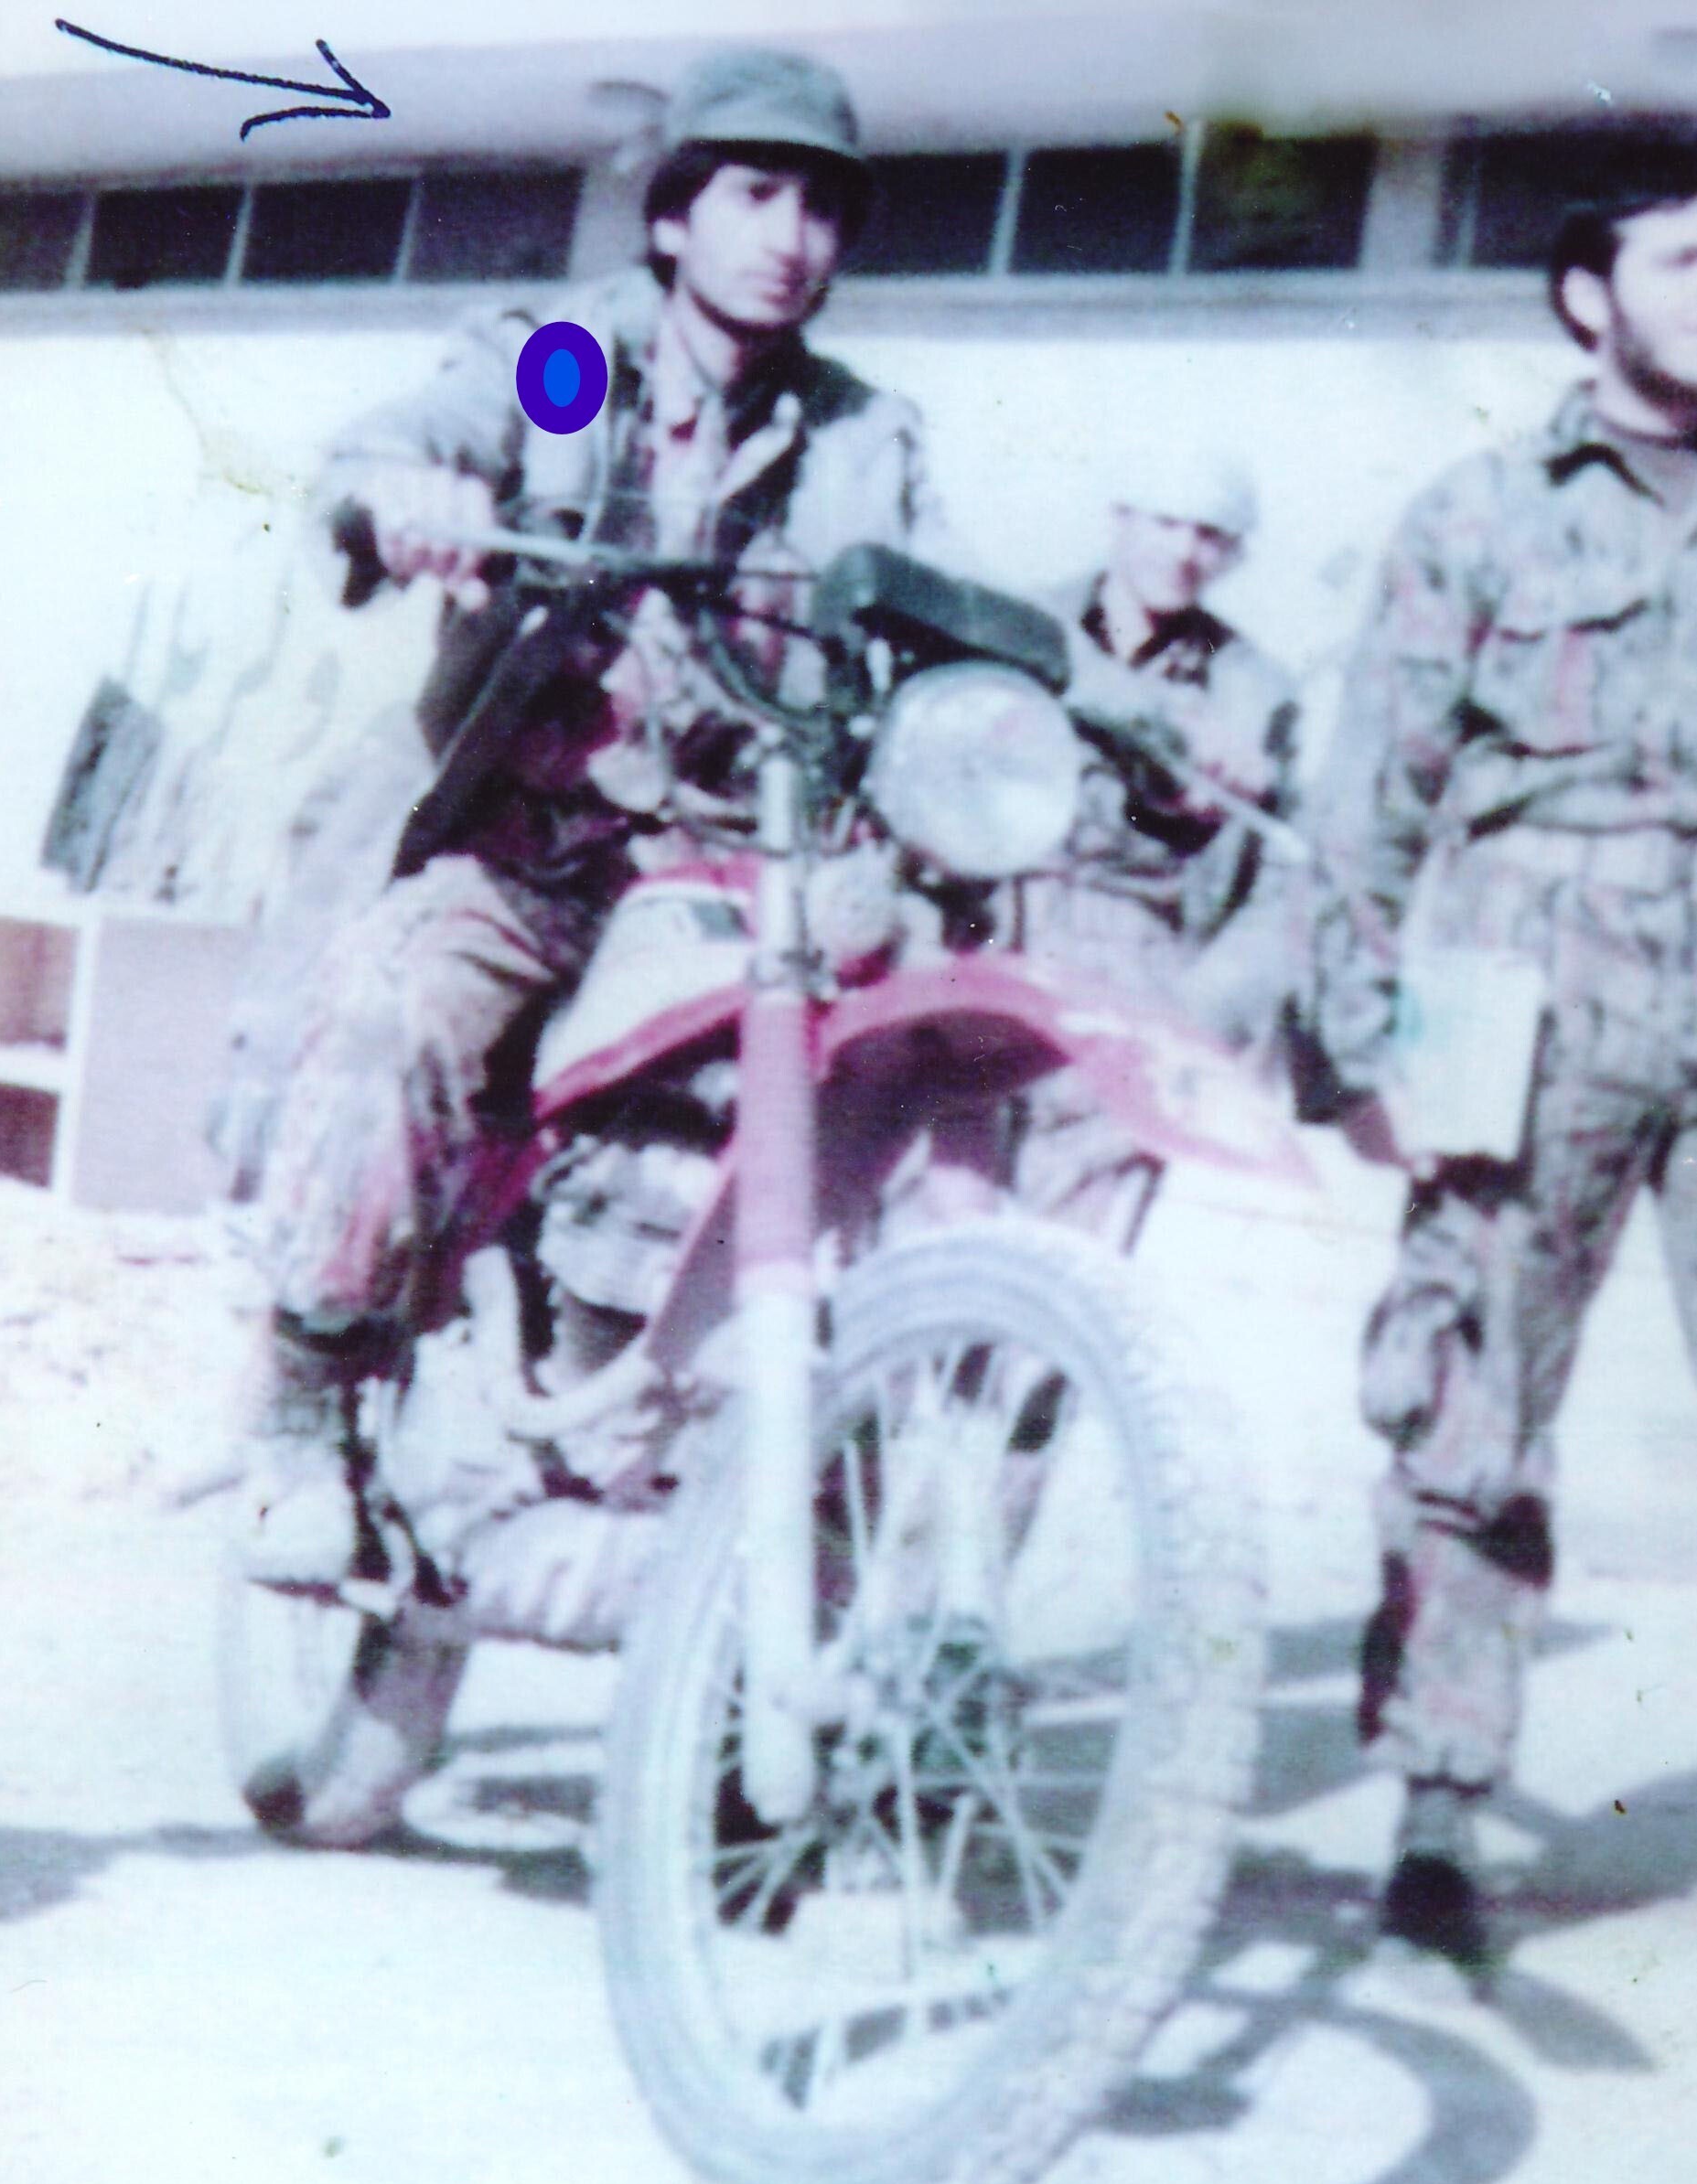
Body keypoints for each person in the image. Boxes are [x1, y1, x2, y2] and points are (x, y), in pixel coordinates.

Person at [240, 47, 951, 1583]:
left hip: (729, 874)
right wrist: (409, 494)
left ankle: (817, 1451)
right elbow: (423, 433)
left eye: (822, 208)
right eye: (753, 194)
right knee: (396, 1021)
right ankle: (305, 1397)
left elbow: (925, 610)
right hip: (529, 854)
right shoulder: (573, 362)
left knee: (910, 1048)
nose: (790, 237)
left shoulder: (857, 436)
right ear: (676, 217)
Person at [1308, 137, 1697, 1970]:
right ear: (1584, 297)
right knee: (1475, 1401)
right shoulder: (1475, 514)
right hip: (1525, 988)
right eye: (1687, 261)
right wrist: (1354, 1040)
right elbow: (1369, 794)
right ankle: (1438, 1812)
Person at [1015, 448, 1301, 1231]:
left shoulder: (1256, 693)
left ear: (1235, 554)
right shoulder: (1019, 630)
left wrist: (1196, 1017)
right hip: (989, 930)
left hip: (1136, 976)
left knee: (1074, 1243)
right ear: (1120, 519)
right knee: (924, 1217)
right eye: (1165, 522)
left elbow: (1285, 886)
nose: (1183, 552)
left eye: (1210, 535)